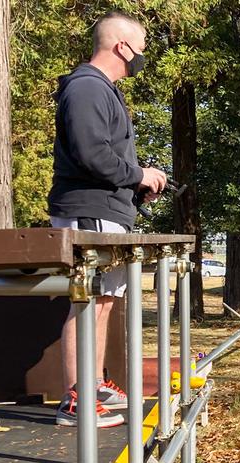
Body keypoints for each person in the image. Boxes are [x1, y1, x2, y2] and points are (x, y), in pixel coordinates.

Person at [49, 11, 167, 427]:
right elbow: (90, 152)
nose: (141, 60)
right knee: (86, 302)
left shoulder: (103, 91)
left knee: (102, 304)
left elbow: (103, 156)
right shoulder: (86, 88)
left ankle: (93, 384)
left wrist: (135, 184)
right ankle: (75, 401)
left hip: (109, 211)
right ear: (122, 47)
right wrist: (139, 174)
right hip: (88, 212)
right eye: (141, 52)